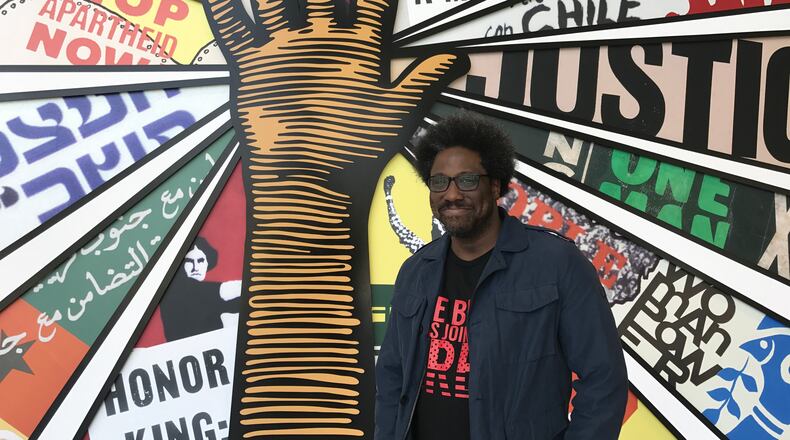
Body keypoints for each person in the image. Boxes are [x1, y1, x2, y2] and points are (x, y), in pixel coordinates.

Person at [375, 112, 628, 440]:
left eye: (466, 180)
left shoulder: (557, 264)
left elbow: (603, 380)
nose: (451, 195)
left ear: (495, 185)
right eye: (439, 181)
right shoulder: (415, 271)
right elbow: (393, 378)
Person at [159, 237, 241, 341]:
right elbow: (223, 291)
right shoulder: (175, 289)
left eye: (200, 261)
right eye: (189, 261)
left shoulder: (204, 297)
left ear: (207, 263)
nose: (195, 267)